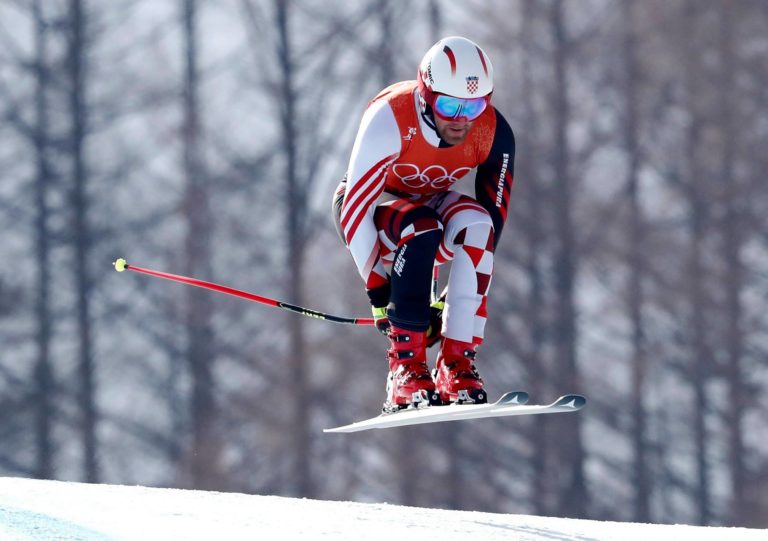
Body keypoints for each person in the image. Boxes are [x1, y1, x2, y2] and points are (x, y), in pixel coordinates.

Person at [332, 36, 516, 413]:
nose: (462, 119)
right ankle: (406, 369)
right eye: (450, 105)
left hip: (427, 205)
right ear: (427, 95)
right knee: (423, 225)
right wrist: (379, 291)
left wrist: (450, 299)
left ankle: (456, 363)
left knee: (477, 225)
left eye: (476, 104)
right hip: (371, 212)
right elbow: (355, 209)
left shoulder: (493, 132)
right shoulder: (391, 116)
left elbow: (491, 225)